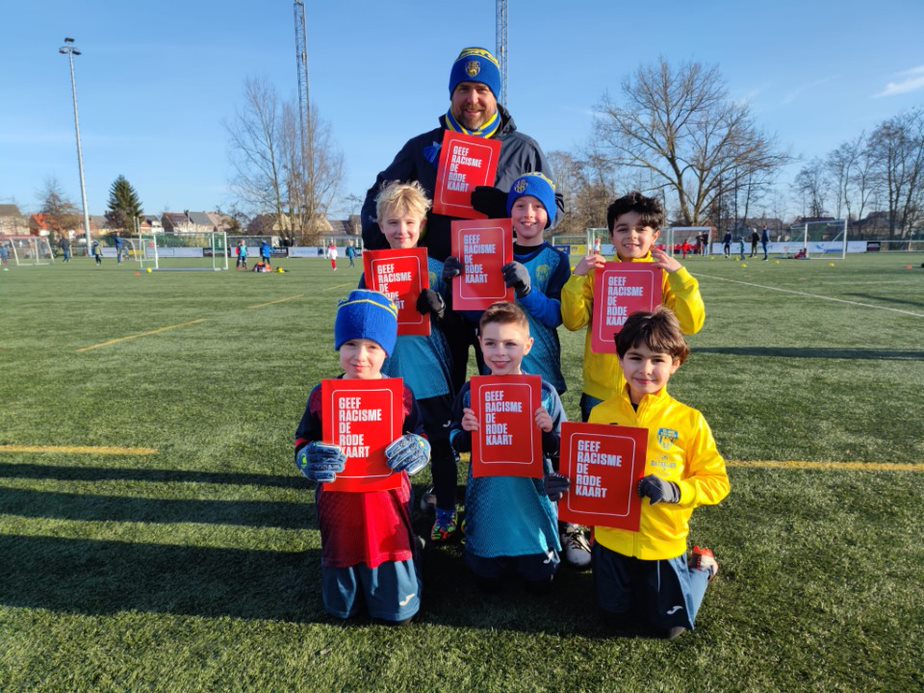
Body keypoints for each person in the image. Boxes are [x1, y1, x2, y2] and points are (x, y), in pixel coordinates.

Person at [361, 46, 561, 393]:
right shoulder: (423, 147)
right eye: (463, 90)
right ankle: (443, 445)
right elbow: (379, 200)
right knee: (438, 390)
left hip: (499, 292)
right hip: (438, 292)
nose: (472, 99)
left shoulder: (523, 148)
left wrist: (508, 207)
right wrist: (391, 259)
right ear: (452, 94)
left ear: (494, 95)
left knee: (504, 392)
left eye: (482, 90)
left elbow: (553, 205)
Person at [546, 308, 729, 639]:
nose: (645, 369)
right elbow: (586, 472)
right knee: (613, 620)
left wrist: (675, 491)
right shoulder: (601, 414)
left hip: (661, 542)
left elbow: (717, 483)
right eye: (635, 357)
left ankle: (701, 567)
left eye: (657, 359)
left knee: (669, 629)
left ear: (676, 363)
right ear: (620, 360)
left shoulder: (689, 421)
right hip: (611, 543)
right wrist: (562, 486)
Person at [560, 191, 705, 568]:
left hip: (647, 393)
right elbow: (574, 321)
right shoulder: (599, 272)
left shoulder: (663, 276)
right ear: (610, 235)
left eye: (642, 229)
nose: (632, 236)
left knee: (651, 467)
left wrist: (682, 278)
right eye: (622, 228)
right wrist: (578, 279)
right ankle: (588, 532)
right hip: (601, 391)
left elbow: (691, 324)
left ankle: (653, 531)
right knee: (598, 468)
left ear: (656, 235)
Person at [294, 289, 431, 624]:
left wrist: (419, 449)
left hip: (388, 505)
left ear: (387, 351)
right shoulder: (321, 395)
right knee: (341, 606)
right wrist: (307, 458)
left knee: (398, 610)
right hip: (339, 504)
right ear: (338, 346)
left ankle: (401, 583)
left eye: (373, 347)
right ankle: (347, 592)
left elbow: (421, 433)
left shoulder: (400, 394)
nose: (360, 356)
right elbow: (303, 439)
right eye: (350, 344)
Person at [360, 181, 459, 543]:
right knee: (385, 446)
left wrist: (440, 308)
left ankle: (447, 511)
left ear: (422, 225)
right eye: (393, 223)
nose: (401, 231)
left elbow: (459, 328)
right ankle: (390, 511)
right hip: (387, 376)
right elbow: (362, 323)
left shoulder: (436, 269)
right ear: (381, 226)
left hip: (432, 373)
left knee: (440, 446)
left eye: (409, 223)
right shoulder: (371, 271)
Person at [449, 302, 565, 591]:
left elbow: (563, 450)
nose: (500, 352)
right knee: (484, 578)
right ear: (480, 344)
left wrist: (547, 434)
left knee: (541, 580)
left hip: (532, 499)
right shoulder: (470, 392)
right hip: (488, 498)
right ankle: (484, 546)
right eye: (491, 343)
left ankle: (538, 547)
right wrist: (465, 433)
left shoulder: (544, 393)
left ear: (528, 346)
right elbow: (453, 439)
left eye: (510, 344)